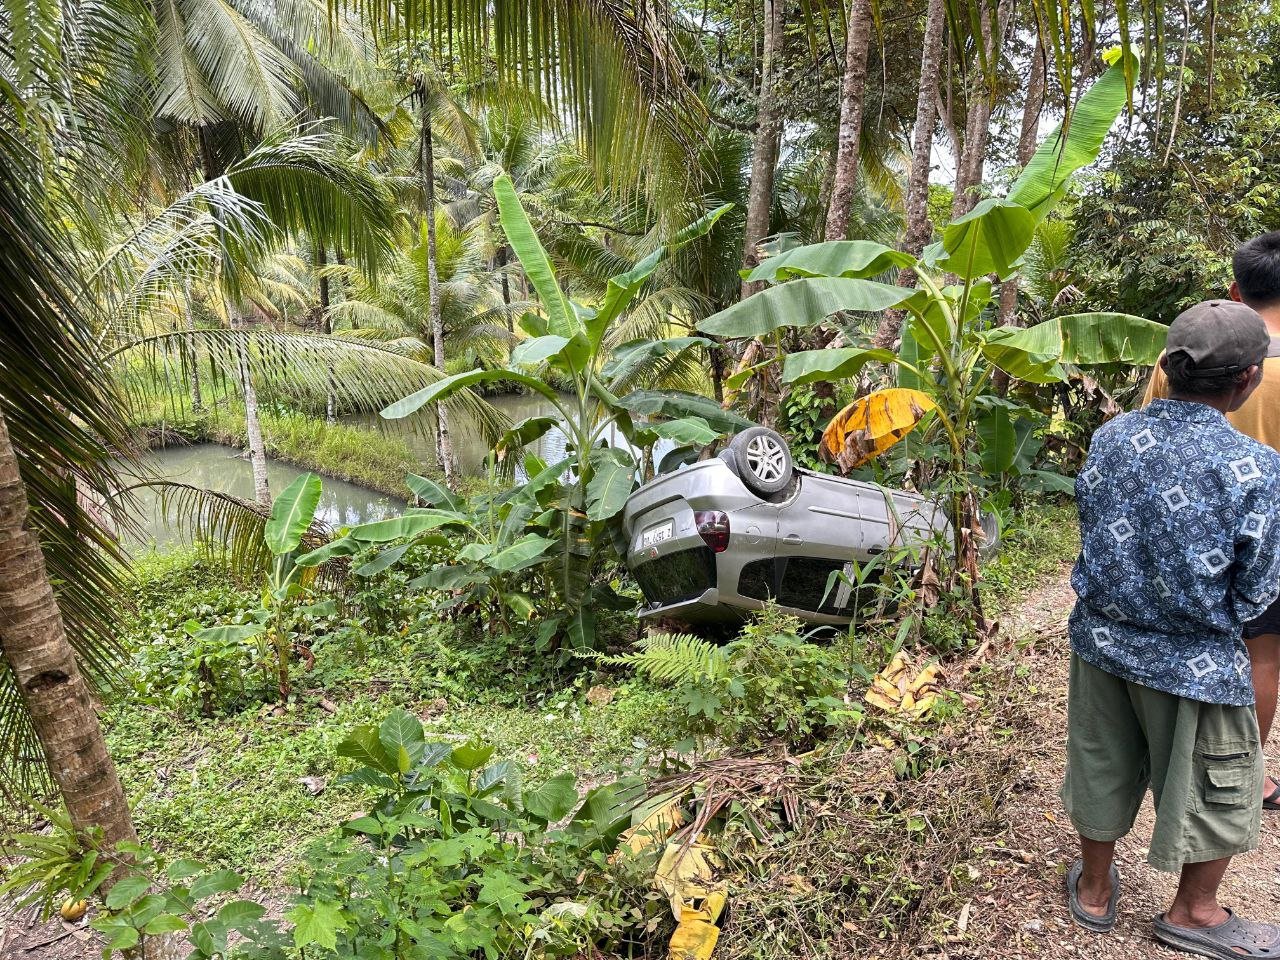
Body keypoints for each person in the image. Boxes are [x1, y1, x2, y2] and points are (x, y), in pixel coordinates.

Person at [1064, 300, 1280, 957]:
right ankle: (1195, 912)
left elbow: (1092, 524)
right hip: (1197, 663)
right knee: (1221, 782)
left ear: (1168, 366)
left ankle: (1095, 891)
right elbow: (1258, 591)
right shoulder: (1258, 469)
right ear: (1247, 379)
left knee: (1099, 760)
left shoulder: (1112, 437)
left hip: (1101, 643)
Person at [1145, 231, 1280, 810]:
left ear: (1234, 290)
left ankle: (1166, 767)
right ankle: (1243, 777)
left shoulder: (1179, 357)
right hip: (1272, 535)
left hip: (1189, 524)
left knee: (1184, 643)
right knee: (1263, 655)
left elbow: (1152, 437)